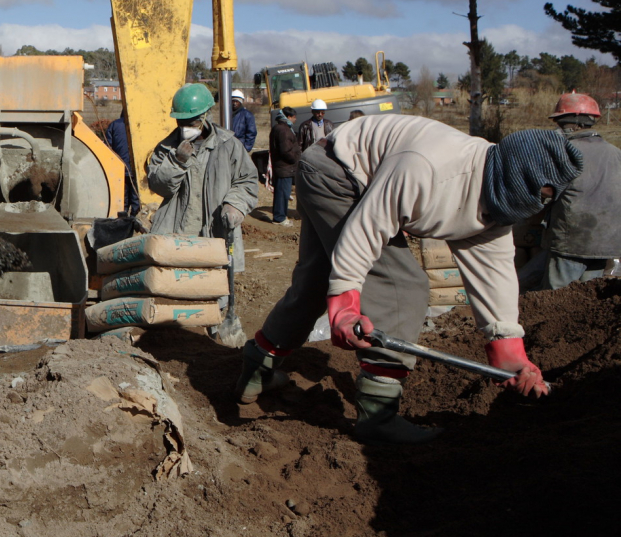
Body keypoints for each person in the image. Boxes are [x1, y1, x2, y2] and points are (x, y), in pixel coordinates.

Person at [236, 115, 582, 444]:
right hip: (338, 172)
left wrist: (508, 348)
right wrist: (345, 303)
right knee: (401, 285)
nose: (540, 208)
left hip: (358, 170)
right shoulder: (429, 168)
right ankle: (379, 414)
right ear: (516, 179)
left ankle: (257, 369)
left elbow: (495, 275)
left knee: (315, 284)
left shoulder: (497, 203)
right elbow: (367, 230)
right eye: (542, 197)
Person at [146, 83, 258, 272]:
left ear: (206, 117)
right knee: (177, 287)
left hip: (216, 234)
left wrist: (235, 204)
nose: (186, 128)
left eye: (192, 122)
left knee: (216, 289)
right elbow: (158, 185)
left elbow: (247, 180)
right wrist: (177, 161)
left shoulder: (229, 146)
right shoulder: (166, 148)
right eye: (181, 123)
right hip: (177, 235)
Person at [520, 92, 621, 290]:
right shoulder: (616, 153)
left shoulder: (565, 153)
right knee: (587, 297)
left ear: (569, 124)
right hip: (607, 242)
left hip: (572, 240)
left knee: (558, 298)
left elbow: (546, 191)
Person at [102, 113, 141, 216]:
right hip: (137, 170)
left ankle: (121, 222)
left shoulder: (114, 125)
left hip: (119, 171)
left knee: (121, 202)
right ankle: (136, 224)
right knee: (137, 202)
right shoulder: (141, 123)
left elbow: (107, 148)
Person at [268, 107, 301, 226]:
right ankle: (279, 217)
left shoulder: (280, 128)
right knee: (282, 193)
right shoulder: (284, 130)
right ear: (288, 117)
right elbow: (285, 150)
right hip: (284, 167)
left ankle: (280, 215)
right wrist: (295, 159)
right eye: (294, 117)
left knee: (281, 192)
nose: (295, 120)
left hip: (283, 166)